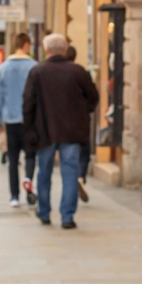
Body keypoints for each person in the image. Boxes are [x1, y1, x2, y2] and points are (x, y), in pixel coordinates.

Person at [23, 34, 99, 229]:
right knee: (70, 172)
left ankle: (44, 212)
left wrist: (29, 128)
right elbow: (93, 97)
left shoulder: (37, 72)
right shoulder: (77, 71)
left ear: (46, 50)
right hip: (71, 131)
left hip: (44, 131)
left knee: (44, 172)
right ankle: (67, 216)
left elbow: (28, 103)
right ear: (65, 50)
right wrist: (83, 112)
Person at [0, 33, 38, 208]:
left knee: (13, 158)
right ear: (26, 45)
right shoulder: (33, 67)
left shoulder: (3, 68)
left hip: (11, 119)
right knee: (30, 155)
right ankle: (28, 180)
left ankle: (14, 196)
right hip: (30, 119)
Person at [64, 45, 90, 203]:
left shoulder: (55, 72)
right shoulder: (80, 72)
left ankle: (73, 178)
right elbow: (92, 95)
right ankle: (80, 177)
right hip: (81, 120)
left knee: (69, 158)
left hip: (62, 123)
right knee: (84, 152)